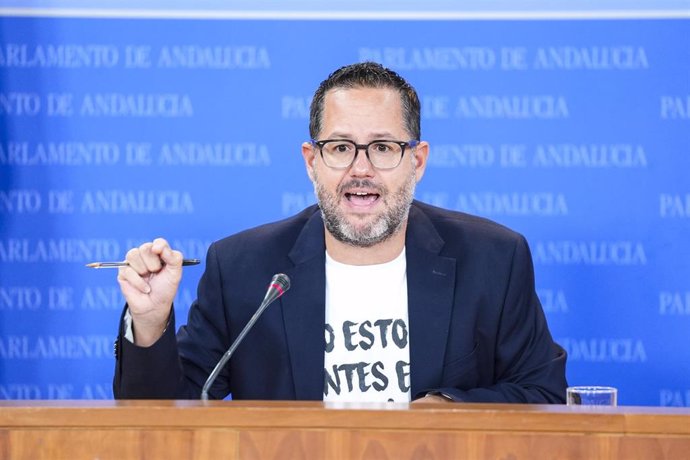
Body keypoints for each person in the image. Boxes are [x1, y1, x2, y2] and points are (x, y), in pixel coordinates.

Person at [113, 62, 567, 403]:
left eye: (384, 147)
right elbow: (162, 417)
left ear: (418, 161)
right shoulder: (243, 269)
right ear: (312, 161)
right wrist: (150, 326)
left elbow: (543, 394)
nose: (361, 169)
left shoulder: (492, 259)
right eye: (341, 148)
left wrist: (451, 409)